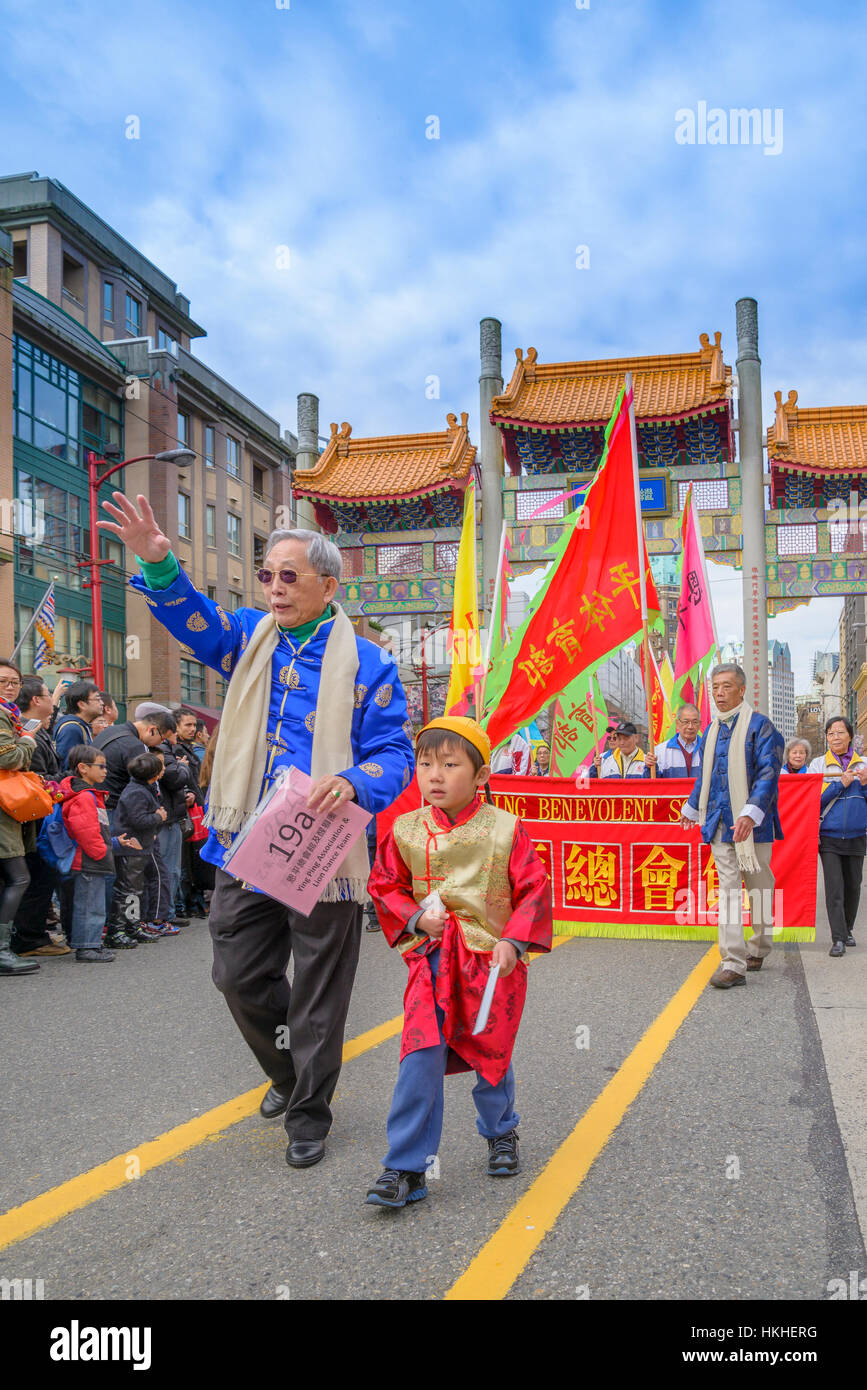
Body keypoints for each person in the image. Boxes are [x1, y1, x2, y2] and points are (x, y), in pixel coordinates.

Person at [97, 495, 414, 1169]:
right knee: (236, 974)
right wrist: (158, 559)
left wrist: (357, 782)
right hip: (245, 836)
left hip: (325, 845)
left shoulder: (369, 664)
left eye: (288, 576)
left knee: (321, 992)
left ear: (328, 585)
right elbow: (194, 621)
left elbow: (395, 754)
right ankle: (289, 1074)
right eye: (267, 575)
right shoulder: (246, 637)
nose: (273, 587)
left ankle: (308, 1115)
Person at [365, 716, 552, 1209]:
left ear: (482, 775)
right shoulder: (405, 829)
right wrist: (412, 918)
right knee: (420, 1054)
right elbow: (385, 884)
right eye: (426, 764)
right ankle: (405, 1166)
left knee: (490, 1050)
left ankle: (501, 1132)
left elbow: (533, 888)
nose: (435, 775)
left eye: (450, 765)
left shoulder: (505, 829)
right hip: (432, 959)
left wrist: (514, 941)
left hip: (491, 961)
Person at [681, 663, 784, 989]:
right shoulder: (710, 731)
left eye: (726, 686)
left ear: (741, 690)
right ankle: (733, 963)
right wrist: (692, 807)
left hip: (755, 827)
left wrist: (749, 814)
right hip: (719, 824)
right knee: (727, 891)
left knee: (759, 889)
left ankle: (760, 946)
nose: (720, 693)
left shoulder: (761, 727)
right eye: (715, 687)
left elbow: (769, 773)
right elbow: (706, 777)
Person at [59, 745, 139, 963]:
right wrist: (104, 852)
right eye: (101, 766)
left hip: (89, 857)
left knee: (90, 903)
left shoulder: (88, 794)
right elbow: (86, 832)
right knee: (89, 905)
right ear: (83, 768)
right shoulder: (85, 797)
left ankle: (91, 943)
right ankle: (87, 947)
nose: (106, 771)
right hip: (88, 860)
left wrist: (111, 844)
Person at [10, 676, 69, 958]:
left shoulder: (38, 730)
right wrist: (63, 781)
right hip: (28, 816)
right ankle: (28, 938)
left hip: (37, 815)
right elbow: (31, 776)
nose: (51, 700)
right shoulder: (23, 731)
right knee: (33, 878)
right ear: (36, 700)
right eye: (48, 695)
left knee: (37, 878)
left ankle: (33, 935)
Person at [807, 717, 867, 957]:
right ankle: (838, 938)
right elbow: (812, 803)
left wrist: (863, 785)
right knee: (834, 887)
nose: (835, 737)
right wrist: (838, 785)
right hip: (828, 836)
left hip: (857, 834)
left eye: (840, 732)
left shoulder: (864, 764)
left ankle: (848, 929)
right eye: (831, 733)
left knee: (853, 886)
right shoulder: (818, 765)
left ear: (850, 736)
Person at [0, 659, 40, 977]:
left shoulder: (10, 715)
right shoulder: (2, 714)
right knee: (19, 876)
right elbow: (9, 757)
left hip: (8, 808)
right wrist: (26, 741)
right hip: (3, 810)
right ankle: (2, 952)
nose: (11, 687)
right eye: (4, 681)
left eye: (15, 682)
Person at [108, 751, 168, 945]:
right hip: (131, 847)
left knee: (135, 890)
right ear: (155, 774)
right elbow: (138, 819)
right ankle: (117, 930)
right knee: (127, 890)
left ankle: (132, 926)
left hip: (140, 847)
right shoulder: (137, 792)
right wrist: (159, 817)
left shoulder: (140, 789)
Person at [54, 681, 104, 770]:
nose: (102, 703)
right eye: (97, 699)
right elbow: (67, 768)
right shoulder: (71, 729)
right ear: (82, 704)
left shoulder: (80, 726)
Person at [646, 703, 703, 779]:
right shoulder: (661, 751)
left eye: (695, 722)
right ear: (677, 724)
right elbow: (652, 785)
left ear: (700, 724)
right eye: (686, 722)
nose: (690, 727)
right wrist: (649, 767)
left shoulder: (708, 749)